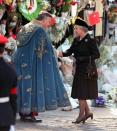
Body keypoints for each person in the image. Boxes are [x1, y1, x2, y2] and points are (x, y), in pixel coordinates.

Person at [14, 12, 70, 122]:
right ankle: (28, 114)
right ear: (43, 20)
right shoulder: (39, 30)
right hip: (32, 63)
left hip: (20, 61)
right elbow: (45, 49)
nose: (48, 25)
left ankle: (23, 112)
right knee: (32, 86)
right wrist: (57, 54)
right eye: (48, 22)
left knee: (24, 85)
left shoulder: (26, 27)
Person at [58, 18, 100, 124]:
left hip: (87, 71)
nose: (75, 30)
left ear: (82, 29)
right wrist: (62, 53)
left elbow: (96, 54)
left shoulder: (91, 40)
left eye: (76, 28)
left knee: (82, 94)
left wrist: (82, 58)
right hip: (79, 70)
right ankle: (88, 112)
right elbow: (71, 50)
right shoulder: (76, 40)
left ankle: (81, 115)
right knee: (80, 93)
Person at [0, 35, 17, 131]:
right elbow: (13, 98)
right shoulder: (11, 70)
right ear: (3, 51)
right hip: (5, 116)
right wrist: (12, 118)